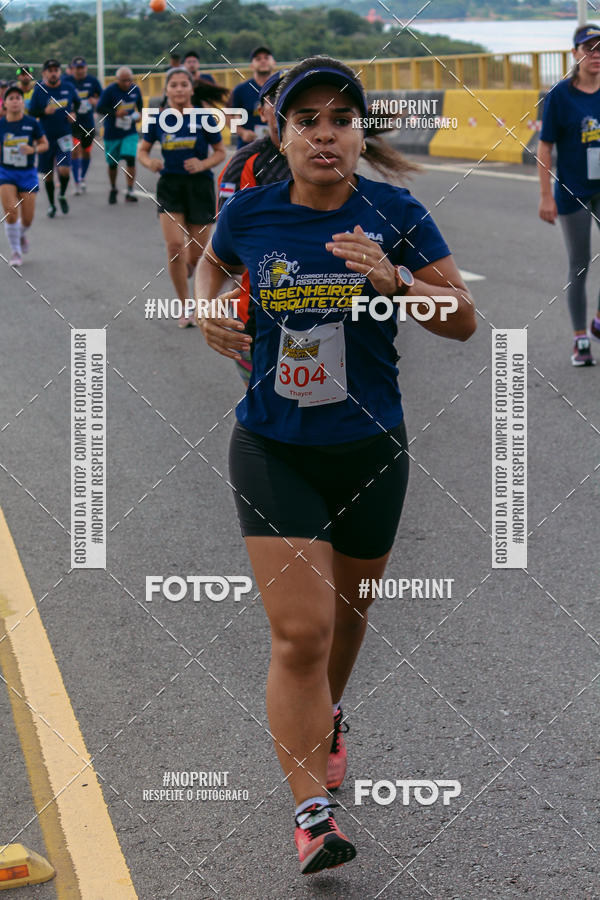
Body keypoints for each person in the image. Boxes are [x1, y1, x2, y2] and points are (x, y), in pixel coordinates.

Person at [195, 56, 476, 874]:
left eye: (341, 119)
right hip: (273, 446)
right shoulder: (250, 211)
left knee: (347, 623)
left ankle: (329, 719)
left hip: (370, 451)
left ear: (360, 133)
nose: (325, 132)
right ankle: (312, 813)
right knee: (301, 633)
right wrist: (211, 307)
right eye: (307, 119)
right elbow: (213, 261)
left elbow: (459, 319)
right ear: (280, 135)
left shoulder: (395, 210)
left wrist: (393, 282)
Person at [138, 67, 225, 327]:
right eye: (173, 85)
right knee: (175, 247)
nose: (178, 89)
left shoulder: (205, 118)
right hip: (170, 186)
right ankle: (186, 306)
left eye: (183, 84)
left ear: (191, 89)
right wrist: (149, 162)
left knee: (196, 256)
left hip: (200, 187)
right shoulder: (157, 119)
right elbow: (142, 150)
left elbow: (220, 151)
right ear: (166, 90)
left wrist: (203, 163)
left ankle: (191, 277)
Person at [217, 70, 290, 382]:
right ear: (261, 110)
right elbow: (224, 244)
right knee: (265, 405)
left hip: (333, 311)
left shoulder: (330, 158)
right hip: (259, 313)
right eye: (276, 99)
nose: (284, 105)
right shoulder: (243, 164)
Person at [538, 23, 600, 366]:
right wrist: (546, 196)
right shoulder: (561, 96)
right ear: (576, 53)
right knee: (580, 265)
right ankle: (581, 340)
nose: (596, 55)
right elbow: (545, 148)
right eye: (589, 49)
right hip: (574, 190)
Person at [0, 84, 48, 266]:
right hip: (5, 171)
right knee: (11, 212)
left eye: (17, 98)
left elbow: (45, 145)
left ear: (22, 103)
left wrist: (32, 149)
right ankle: (15, 252)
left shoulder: (32, 123)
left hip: (27, 173)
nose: (14, 101)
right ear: (5, 103)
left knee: (27, 219)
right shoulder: (1, 124)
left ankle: (20, 235)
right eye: (10, 98)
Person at [29, 59, 79, 217]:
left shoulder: (68, 87)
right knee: (48, 174)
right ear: (44, 73)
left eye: (56, 70)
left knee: (64, 169)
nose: (53, 73)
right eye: (49, 70)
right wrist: (44, 112)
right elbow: (32, 112)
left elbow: (77, 104)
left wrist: (73, 113)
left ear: (60, 72)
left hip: (64, 135)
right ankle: (52, 204)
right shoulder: (39, 90)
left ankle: (62, 195)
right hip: (45, 138)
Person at [96, 67, 143, 204]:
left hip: (129, 131)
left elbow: (140, 106)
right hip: (112, 133)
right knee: (112, 164)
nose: (127, 83)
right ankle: (113, 188)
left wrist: (140, 115)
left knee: (130, 157)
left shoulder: (135, 89)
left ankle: (130, 190)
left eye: (129, 80)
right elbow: (100, 108)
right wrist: (115, 113)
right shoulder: (110, 91)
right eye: (124, 81)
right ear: (117, 80)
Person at [229, 46, 276, 148]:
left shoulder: (282, 87)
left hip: (277, 148)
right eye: (258, 59)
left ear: (274, 62)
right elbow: (227, 115)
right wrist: (242, 132)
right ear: (251, 66)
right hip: (248, 147)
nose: (263, 61)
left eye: (266, 58)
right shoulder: (241, 89)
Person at [68, 57, 102, 194]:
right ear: (72, 69)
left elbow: (102, 97)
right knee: (75, 151)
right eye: (77, 68)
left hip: (88, 122)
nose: (80, 71)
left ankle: (82, 177)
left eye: (82, 68)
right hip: (73, 123)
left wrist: (95, 101)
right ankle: (76, 181)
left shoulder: (92, 81)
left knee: (86, 152)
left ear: (86, 68)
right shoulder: (67, 82)